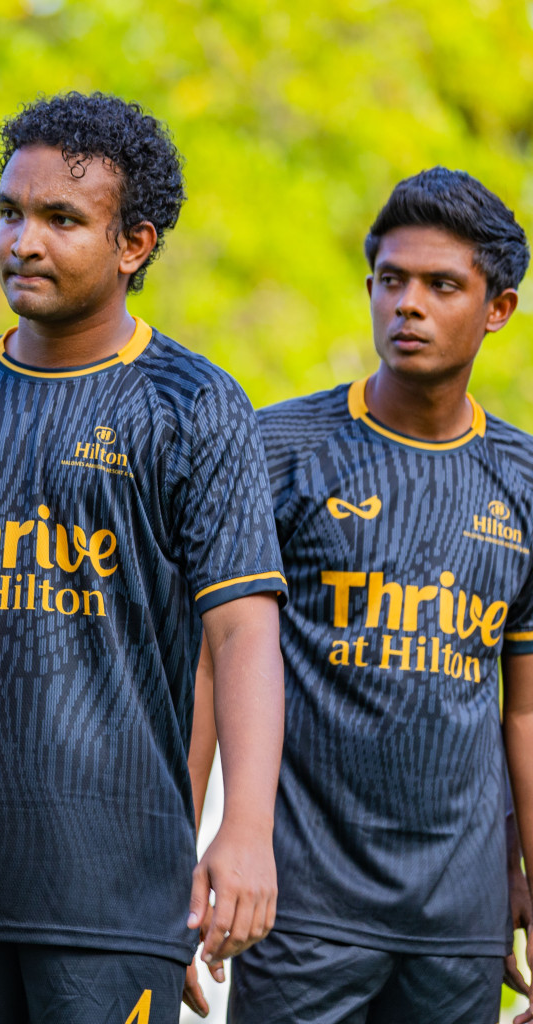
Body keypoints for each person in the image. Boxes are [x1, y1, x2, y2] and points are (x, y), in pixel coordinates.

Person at [0, 93, 288, 1024]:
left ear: (134, 244)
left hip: (112, 900)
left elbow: (244, 633)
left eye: (61, 219)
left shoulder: (196, 406)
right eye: (11, 213)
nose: (24, 241)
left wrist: (244, 829)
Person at [221, 167, 533, 1024]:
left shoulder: (523, 480)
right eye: (392, 280)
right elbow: (216, 664)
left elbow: (526, 713)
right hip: (301, 907)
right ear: (368, 289)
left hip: (459, 920)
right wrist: (195, 847)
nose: (410, 304)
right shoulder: (276, 448)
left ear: (498, 308)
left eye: (442, 285)